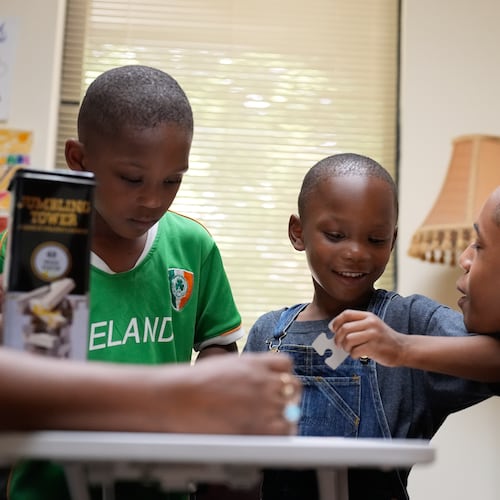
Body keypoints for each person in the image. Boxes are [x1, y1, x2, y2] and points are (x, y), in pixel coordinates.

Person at [0, 64, 248, 499]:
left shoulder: (192, 246)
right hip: (47, 487)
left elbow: (218, 345)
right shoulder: (29, 248)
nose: (153, 199)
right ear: (79, 159)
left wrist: (200, 399)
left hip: (161, 486)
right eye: (132, 179)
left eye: (172, 180)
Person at [243, 153, 500, 500]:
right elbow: (239, 458)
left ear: (392, 241)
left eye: (375, 240)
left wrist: (400, 348)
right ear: (298, 232)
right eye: (336, 235)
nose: (355, 252)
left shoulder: (409, 322)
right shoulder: (269, 333)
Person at [331, 185, 500, 380]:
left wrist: (401, 348)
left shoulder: (412, 317)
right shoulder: (286, 322)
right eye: (335, 236)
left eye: (479, 245)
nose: (463, 259)